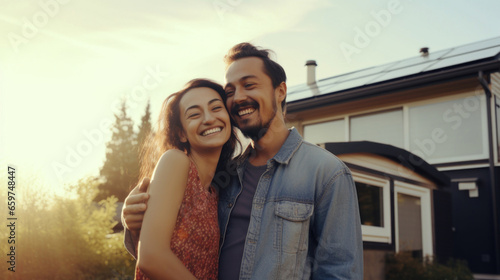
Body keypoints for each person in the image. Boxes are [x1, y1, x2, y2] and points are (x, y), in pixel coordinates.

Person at [122, 43, 363, 279]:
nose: (238, 98)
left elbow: (339, 271)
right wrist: (133, 222)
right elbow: (172, 251)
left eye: (249, 85)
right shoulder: (224, 175)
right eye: (230, 92)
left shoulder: (327, 173)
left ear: (280, 91)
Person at [133, 79, 240, 280]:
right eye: (194, 114)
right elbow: (150, 257)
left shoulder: (216, 190)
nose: (208, 119)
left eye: (216, 108)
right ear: (181, 133)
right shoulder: (176, 161)